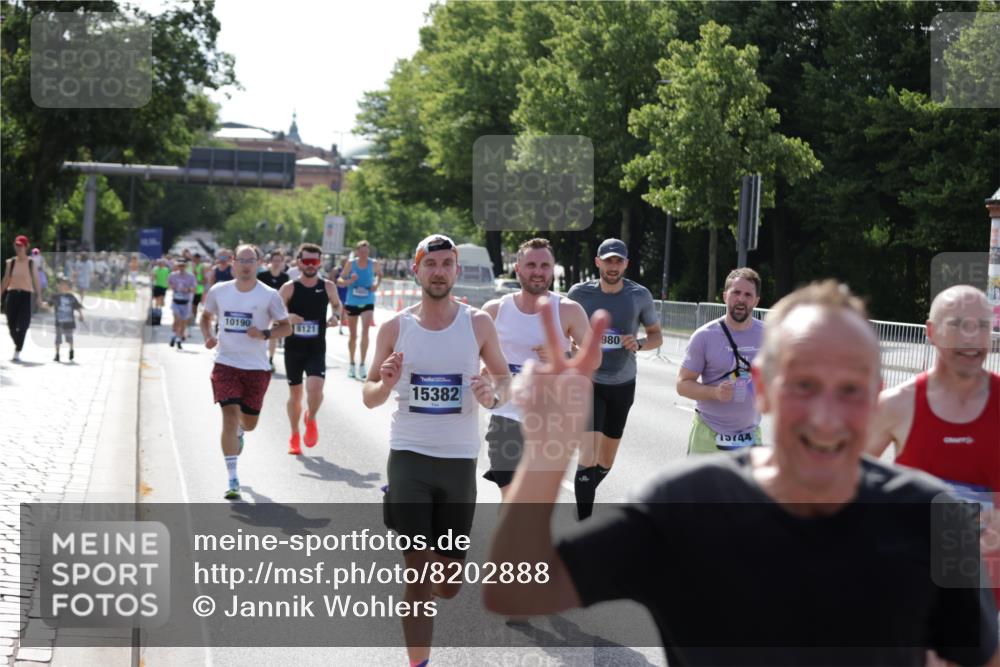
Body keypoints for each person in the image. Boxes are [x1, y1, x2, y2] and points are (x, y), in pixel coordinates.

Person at [485, 281, 1000, 666]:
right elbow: (515, 591)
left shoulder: (931, 515)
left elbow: (978, 653)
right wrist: (551, 447)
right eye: (803, 385)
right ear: (765, 387)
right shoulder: (685, 506)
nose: (826, 416)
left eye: (849, 389)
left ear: (875, 393)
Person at [363, 234, 510, 667]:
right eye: (431, 264)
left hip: (459, 462)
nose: (440, 271)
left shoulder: (478, 323)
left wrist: (491, 394)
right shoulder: (395, 327)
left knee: (447, 582)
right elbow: (369, 395)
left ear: (456, 271)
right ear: (417, 270)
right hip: (408, 455)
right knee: (418, 573)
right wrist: (384, 383)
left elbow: (503, 380)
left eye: (447, 264)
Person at [867, 284, 999, 604]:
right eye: (956, 324)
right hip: (911, 593)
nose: (970, 338)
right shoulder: (897, 404)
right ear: (931, 331)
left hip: (988, 597)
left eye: (981, 325)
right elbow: (841, 484)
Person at [481, 238, 594, 501]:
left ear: (553, 269)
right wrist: (483, 372)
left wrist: (566, 357)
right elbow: (472, 358)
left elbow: (594, 359)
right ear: (517, 268)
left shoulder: (568, 310)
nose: (538, 271)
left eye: (545, 265)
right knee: (512, 500)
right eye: (531, 264)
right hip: (505, 419)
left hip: (548, 420)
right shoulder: (495, 310)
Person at [566, 238, 662, 519]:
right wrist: (571, 346)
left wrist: (640, 343)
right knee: (588, 456)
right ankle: (583, 524)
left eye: (618, 261)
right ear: (597, 262)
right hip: (589, 382)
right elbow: (565, 329)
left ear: (626, 264)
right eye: (608, 260)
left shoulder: (638, 295)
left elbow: (657, 335)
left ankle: (585, 489)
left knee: (605, 461)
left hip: (622, 383)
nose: (613, 266)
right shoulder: (579, 293)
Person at [200, 244, 291, 500]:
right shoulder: (219, 291)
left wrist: (264, 333)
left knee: (248, 424)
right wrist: (208, 336)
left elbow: (286, 328)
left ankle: (241, 432)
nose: (246, 265)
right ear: (233, 262)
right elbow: (205, 318)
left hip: (255, 368)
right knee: (228, 417)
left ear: (259, 263)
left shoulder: (269, 295)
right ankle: (232, 479)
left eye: (251, 260)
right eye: (241, 260)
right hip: (225, 364)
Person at [677, 268, 765, 455]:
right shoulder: (704, 336)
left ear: (756, 301)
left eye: (748, 294)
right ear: (725, 296)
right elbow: (682, 385)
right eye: (736, 293)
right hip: (708, 434)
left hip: (749, 437)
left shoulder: (770, 335)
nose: (741, 299)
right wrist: (715, 392)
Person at [278, 243, 342, 455]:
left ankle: (311, 417)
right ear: (299, 262)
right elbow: (275, 311)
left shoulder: (328, 286)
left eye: (314, 262)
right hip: (293, 349)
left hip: (316, 347)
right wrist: (288, 317)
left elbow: (337, 305)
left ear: (319, 263)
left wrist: (335, 317)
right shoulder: (289, 288)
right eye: (306, 261)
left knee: (315, 390)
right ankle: (294, 434)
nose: (310, 265)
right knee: (295, 395)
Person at [338, 240, 382, 379]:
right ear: (357, 252)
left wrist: (376, 284)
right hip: (352, 301)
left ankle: (362, 365)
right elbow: (340, 280)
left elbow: (379, 275)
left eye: (366, 251)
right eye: (361, 251)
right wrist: (349, 281)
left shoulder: (373, 263)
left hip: (367, 300)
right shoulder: (351, 264)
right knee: (352, 335)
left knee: (365, 332)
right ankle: (352, 364)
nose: (364, 254)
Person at [2, 235, 41, 362]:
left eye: (21, 246)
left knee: (23, 325)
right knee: (11, 324)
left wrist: (39, 296)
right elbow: (6, 280)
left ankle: (18, 350)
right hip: (12, 295)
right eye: (16, 245)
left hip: (26, 296)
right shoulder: (11, 262)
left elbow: (36, 280)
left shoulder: (31, 263)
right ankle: (17, 343)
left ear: (26, 247)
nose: (18, 248)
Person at [259, 250, 290, 372]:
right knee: (261, 334)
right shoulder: (262, 276)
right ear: (270, 261)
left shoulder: (285, 277)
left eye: (279, 261)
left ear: (282, 262)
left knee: (273, 335)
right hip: (262, 309)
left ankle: (270, 359)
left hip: (277, 310)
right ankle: (259, 357)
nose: (277, 263)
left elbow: (287, 296)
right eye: (274, 260)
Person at [48, 278, 84, 362]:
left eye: (64, 284)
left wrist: (81, 315)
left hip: (69, 322)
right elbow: (49, 304)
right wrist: (41, 304)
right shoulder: (55, 296)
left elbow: (77, 307)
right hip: (59, 322)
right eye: (60, 284)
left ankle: (71, 350)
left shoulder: (71, 297)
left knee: (69, 338)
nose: (62, 286)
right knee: (58, 339)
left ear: (68, 287)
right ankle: (57, 354)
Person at [167, 259, 196, 350]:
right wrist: (172, 287)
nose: (181, 267)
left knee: (183, 322)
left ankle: (178, 339)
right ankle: (174, 335)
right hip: (176, 301)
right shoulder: (173, 275)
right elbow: (168, 284)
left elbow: (194, 289)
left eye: (183, 265)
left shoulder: (191, 276)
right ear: (177, 266)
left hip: (186, 302)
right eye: (179, 265)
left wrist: (187, 290)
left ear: (186, 266)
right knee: (177, 319)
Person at [329, 262, 348, 335]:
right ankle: (334, 321)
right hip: (337, 291)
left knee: (344, 311)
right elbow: (331, 279)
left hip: (346, 292)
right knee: (336, 307)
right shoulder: (336, 270)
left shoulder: (350, 270)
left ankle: (341, 327)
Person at [150, 257, 170, 325]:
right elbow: (153, 277)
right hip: (157, 285)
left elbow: (168, 277)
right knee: (157, 298)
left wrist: (168, 285)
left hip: (163, 286)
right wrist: (152, 283)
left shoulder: (166, 269)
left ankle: (159, 309)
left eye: (161, 263)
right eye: (159, 263)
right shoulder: (155, 269)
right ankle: (157, 310)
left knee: (161, 298)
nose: (160, 264)